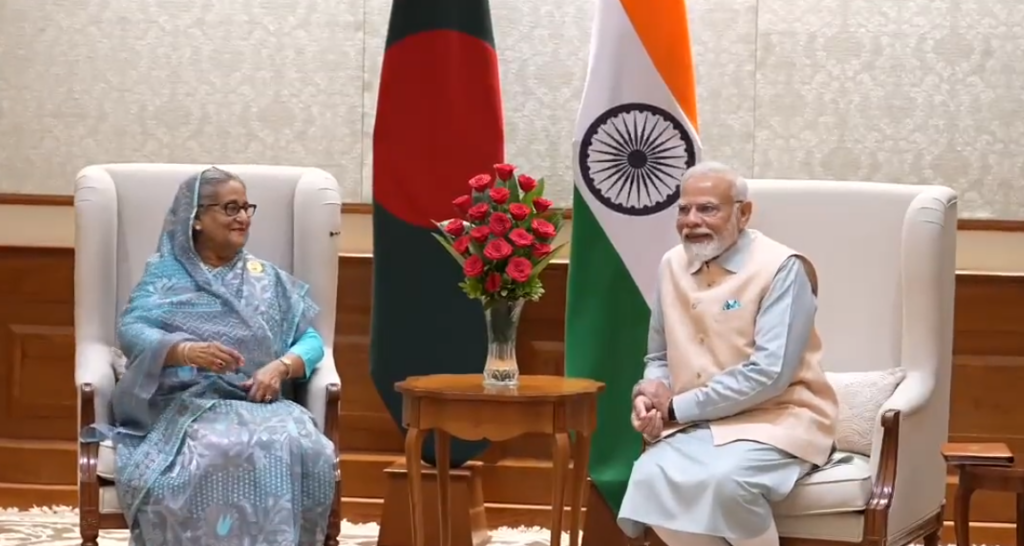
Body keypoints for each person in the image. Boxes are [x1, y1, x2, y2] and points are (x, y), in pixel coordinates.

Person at [107, 167, 337, 544]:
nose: (243, 217)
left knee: (296, 442)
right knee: (216, 448)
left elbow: (311, 343)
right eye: (231, 208)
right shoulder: (165, 276)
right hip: (186, 404)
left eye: (247, 207)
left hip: (259, 401)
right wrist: (184, 351)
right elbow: (132, 331)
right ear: (196, 218)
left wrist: (279, 368)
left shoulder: (268, 278)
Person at [617, 161, 839, 546]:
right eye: (684, 209)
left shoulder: (784, 268)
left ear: (744, 213)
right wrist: (650, 395)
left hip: (779, 421)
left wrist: (676, 409)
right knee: (649, 476)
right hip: (699, 426)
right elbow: (659, 356)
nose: (692, 221)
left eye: (707, 209)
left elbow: (769, 374)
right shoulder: (671, 264)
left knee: (725, 481)